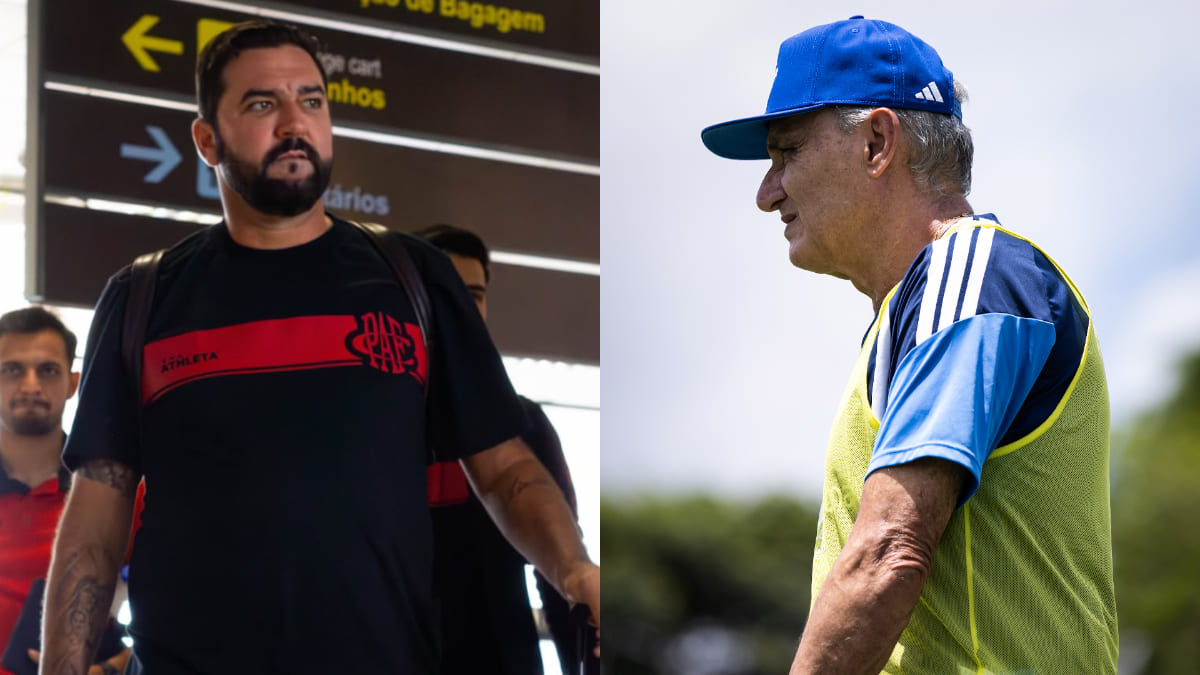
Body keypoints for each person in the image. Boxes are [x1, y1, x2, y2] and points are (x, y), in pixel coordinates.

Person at [41, 20, 598, 675]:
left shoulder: (414, 280)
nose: (292, 123)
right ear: (205, 140)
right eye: (260, 103)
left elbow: (505, 469)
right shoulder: (142, 297)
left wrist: (573, 568)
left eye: (310, 101)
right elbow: (98, 511)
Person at [701, 16, 1116, 674]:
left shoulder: (967, 275)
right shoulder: (934, 299)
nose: (766, 192)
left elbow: (889, 550)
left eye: (785, 153)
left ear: (876, 141)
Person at [416, 224, 596, 675]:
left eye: (472, 297)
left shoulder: (524, 423)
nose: (461, 314)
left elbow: (558, 579)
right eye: (446, 296)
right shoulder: (373, 423)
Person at [0, 307, 129, 675]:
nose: (30, 385)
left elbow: (172, 613)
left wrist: (111, 670)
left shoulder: (115, 494)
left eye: (47, 370)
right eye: (12, 369)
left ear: (74, 383)